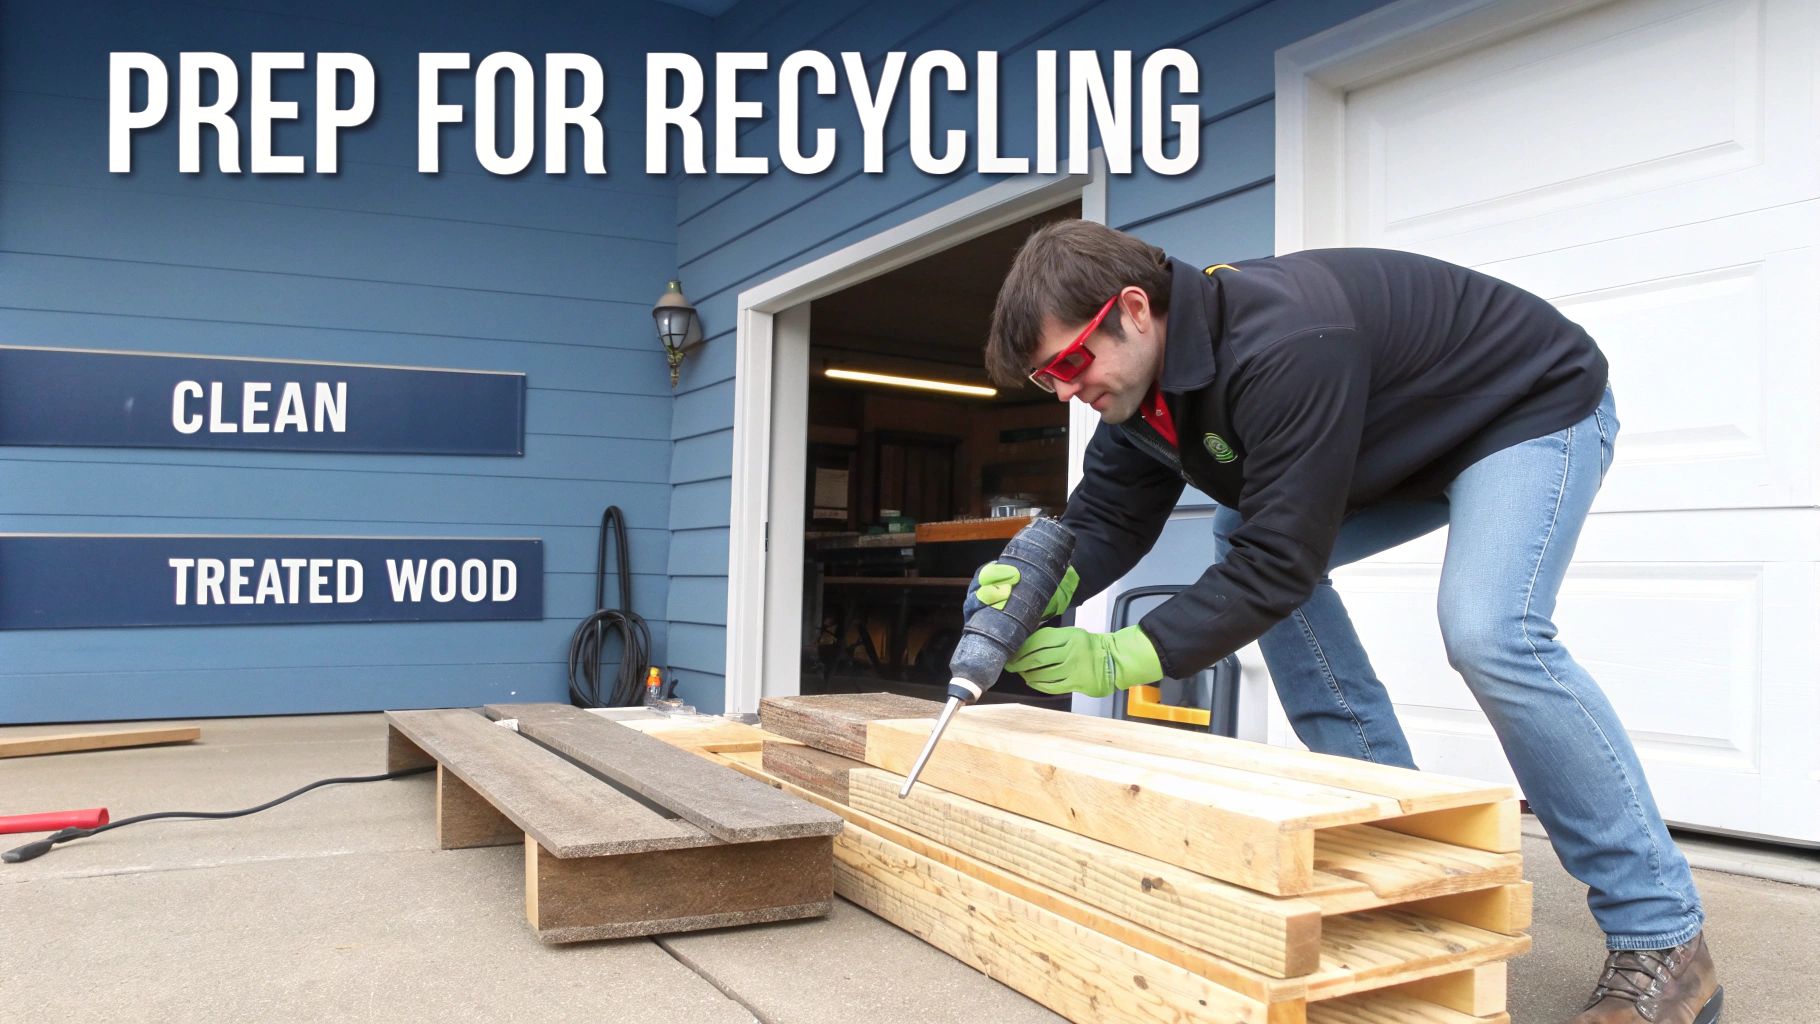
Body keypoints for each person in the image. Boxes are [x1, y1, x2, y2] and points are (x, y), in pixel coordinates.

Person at [963, 220, 1721, 1024]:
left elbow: (1279, 561)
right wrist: (1043, 585)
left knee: (1491, 631)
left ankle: (1663, 936)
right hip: (1400, 440)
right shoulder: (1136, 396)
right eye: (1048, 380)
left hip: (1525, 405)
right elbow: (1110, 514)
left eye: (1073, 362)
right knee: (1241, 537)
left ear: (1136, 309)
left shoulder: (1285, 342)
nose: (1068, 391)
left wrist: (1123, 655)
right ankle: (1399, 849)